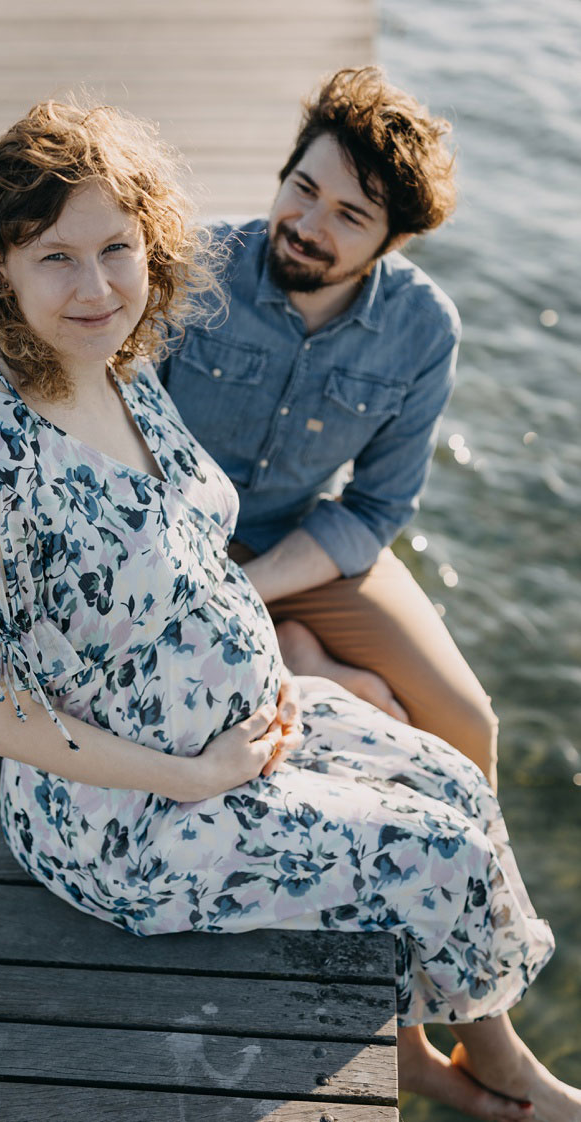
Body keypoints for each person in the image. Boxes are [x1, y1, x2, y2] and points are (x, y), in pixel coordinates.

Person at [0, 98, 575, 1120]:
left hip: (235, 722)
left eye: (116, 248)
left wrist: (270, 677)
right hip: (131, 817)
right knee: (437, 852)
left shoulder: (121, 367)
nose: (97, 285)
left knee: (456, 776)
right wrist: (198, 771)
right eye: (55, 256)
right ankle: (486, 1070)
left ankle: (471, 1046)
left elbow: (326, 520)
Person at [154, 68, 499, 785]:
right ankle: (296, 659)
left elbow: (376, 506)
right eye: (304, 190)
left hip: (294, 545)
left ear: (393, 241)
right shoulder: (191, 265)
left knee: (466, 724)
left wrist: (247, 590)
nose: (308, 228)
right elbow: (112, 434)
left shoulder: (424, 328)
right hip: (166, 537)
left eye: (350, 216)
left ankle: (486, 892)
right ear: (284, 174)